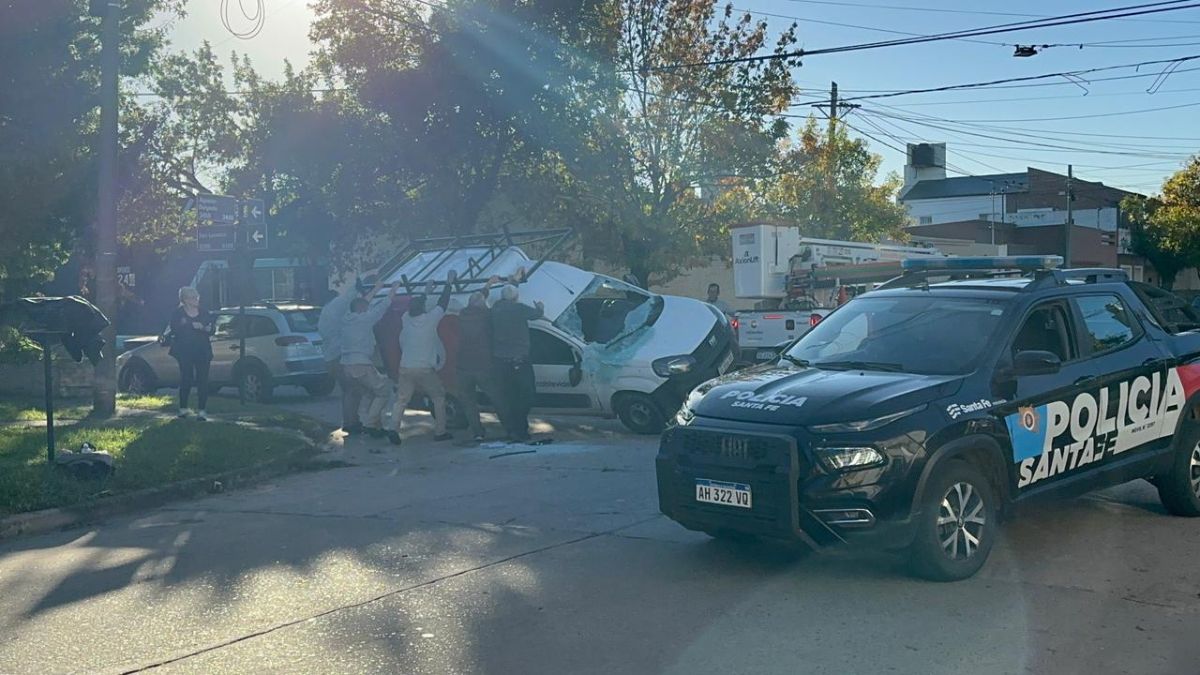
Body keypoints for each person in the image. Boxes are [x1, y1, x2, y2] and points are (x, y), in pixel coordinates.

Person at [389, 271, 457, 446]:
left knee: (401, 400)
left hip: (405, 367)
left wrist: (426, 291)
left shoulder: (405, 318)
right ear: (424, 308)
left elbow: (417, 304)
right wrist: (448, 283)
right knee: (438, 397)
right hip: (425, 369)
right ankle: (440, 431)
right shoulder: (430, 319)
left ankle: (393, 428)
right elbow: (443, 302)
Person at [340, 279, 399, 437]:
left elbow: (361, 303)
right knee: (383, 391)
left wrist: (376, 288)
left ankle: (366, 424)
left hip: (346, 365)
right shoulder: (365, 319)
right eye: (365, 308)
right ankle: (370, 424)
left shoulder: (346, 318)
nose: (368, 309)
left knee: (366, 393)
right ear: (361, 310)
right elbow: (383, 306)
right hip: (362, 365)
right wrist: (393, 289)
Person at [490, 283, 544, 442]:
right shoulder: (519, 309)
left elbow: (499, 302)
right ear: (516, 297)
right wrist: (540, 307)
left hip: (500, 361)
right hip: (519, 360)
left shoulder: (495, 309)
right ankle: (520, 429)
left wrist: (512, 281)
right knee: (526, 396)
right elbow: (536, 314)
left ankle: (511, 429)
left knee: (508, 396)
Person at [456, 277, 504, 442]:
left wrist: (487, 286)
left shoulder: (463, 314)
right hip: (483, 365)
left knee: (469, 402)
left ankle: (477, 432)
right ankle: (510, 427)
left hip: (463, 366)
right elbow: (489, 306)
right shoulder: (486, 316)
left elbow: (476, 301)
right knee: (497, 397)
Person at [318, 284, 364, 435]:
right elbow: (347, 297)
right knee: (353, 389)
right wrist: (359, 284)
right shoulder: (335, 306)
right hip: (339, 356)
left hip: (329, 357)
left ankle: (350, 421)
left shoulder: (324, 314)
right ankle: (352, 422)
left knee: (346, 390)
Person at [168, 286, 215, 421]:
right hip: (185, 351)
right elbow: (174, 329)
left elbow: (212, 328)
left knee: (203, 380)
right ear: (186, 300)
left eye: (197, 297)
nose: (196, 300)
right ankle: (183, 408)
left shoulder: (204, 312)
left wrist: (206, 328)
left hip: (202, 350)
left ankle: (202, 411)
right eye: (193, 298)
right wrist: (187, 325)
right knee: (186, 378)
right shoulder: (178, 313)